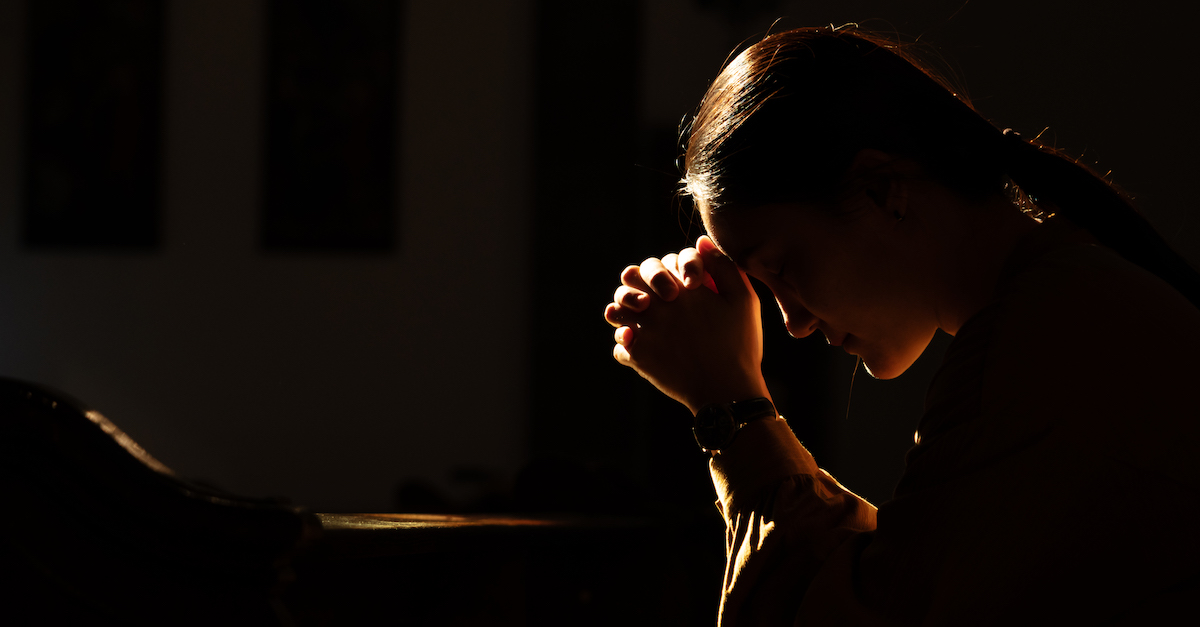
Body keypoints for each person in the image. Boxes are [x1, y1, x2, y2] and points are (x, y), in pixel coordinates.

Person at [604, 26, 1200, 625]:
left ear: (884, 192)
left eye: (784, 268)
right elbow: (911, 572)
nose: (794, 324)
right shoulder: (1064, 302)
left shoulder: (1040, 358)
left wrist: (731, 408)